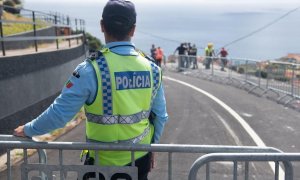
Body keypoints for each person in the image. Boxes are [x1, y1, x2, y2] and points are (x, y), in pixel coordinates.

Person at [13, 1, 169, 180]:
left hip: (101, 165)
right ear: (133, 30)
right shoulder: (152, 69)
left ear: (102, 26)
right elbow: (161, 116)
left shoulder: (91, 70)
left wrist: (28, 129)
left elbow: (60, 114)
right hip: (140, 160)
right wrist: (151, 147)